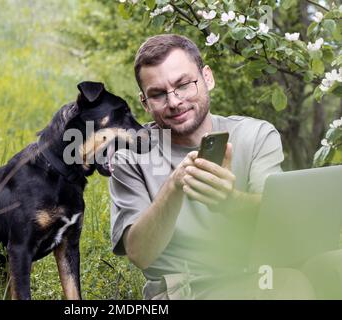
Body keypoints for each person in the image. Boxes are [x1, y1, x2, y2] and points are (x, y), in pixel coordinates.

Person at [108, 34, 339, 300]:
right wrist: (174, 185)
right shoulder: (129, 156)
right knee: (289, 285)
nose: (173, 102)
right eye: (158, 94)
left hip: (258, 275)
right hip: (186, 288)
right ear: (145, 103)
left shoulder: (256, 134)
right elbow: (140, 254)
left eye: (183, 85)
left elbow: (278, 217)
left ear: (207, 78)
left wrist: (230, 201)